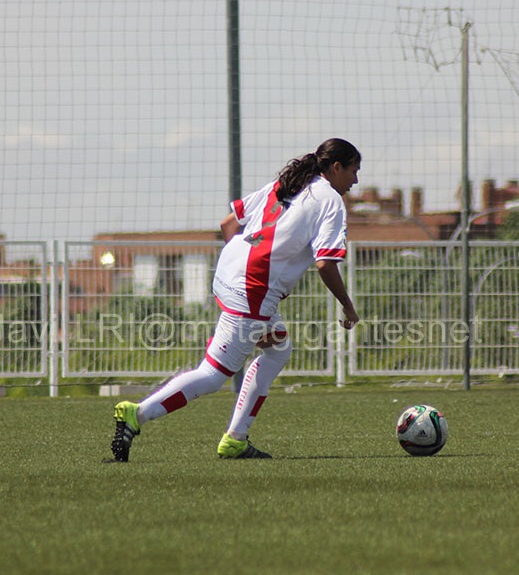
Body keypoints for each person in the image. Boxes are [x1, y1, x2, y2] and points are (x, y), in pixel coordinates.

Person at [109, 138, 362, 462]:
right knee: (214, 374)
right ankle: (137, 414)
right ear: (337, 167)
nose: (355, 181)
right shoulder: (331, 201)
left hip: (229, 271)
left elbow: (228, 223)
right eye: (354, 170)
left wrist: (241, 267)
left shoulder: (287, 182)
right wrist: (347, 305)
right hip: (251, 290)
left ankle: (237, 438)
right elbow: (325, 263)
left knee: (279, 348)